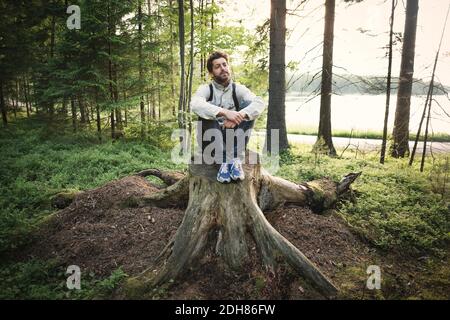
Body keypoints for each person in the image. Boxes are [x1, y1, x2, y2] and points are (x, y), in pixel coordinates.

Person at [190, 51, 266, 183]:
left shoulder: (238, 89)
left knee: (249, 106)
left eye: (225, 64)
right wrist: (224, 112)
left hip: (233, 139)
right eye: (217, 66)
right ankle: (224, 162)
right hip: (210, 141)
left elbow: (259, 102)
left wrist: (240, 115)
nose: (223, 68)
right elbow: (195, 104)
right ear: (211, 72)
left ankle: (234, 161)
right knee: (206, 115)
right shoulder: (206, 89)